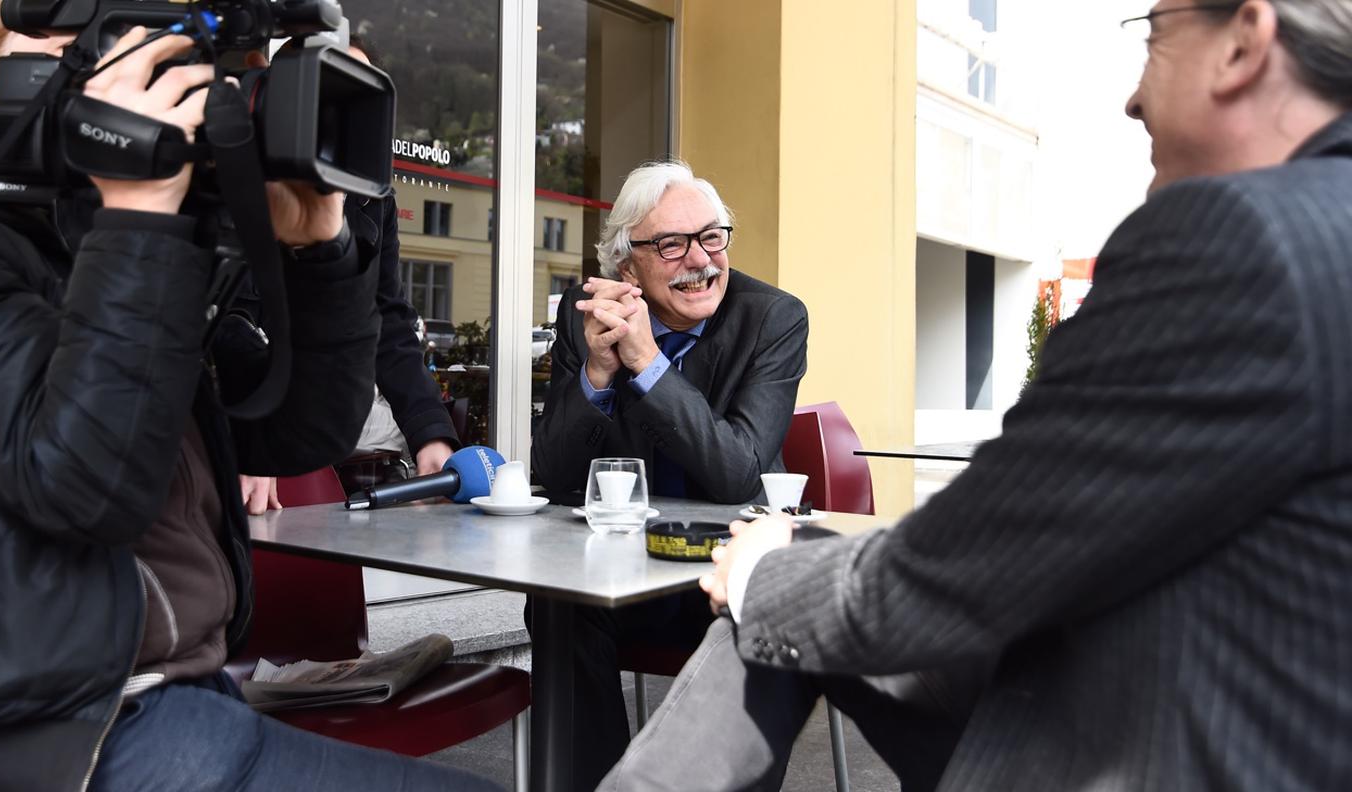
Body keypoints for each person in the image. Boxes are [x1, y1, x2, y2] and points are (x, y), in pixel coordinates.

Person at [597, 2, 1352, 791]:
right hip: (1232, 698)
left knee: (774, 593)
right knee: (791, 582)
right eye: (672, 245)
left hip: (1165, 741)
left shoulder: (1238, 240)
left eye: (1155, 35)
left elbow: (984, 552)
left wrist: (761, 572)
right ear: (631, 262)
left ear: (1244, 40)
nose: (1132, 99)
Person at [0, 9, 498, 791]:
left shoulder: (89, 232)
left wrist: (320, 250)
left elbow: (303, 432)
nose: (131, 71)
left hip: (191, 696)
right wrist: (137, 217)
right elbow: (84, 488)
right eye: (89, 49)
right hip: (69, 733)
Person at [529, 159, 809, 791]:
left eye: (712, 237)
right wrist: (599, 373)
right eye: (672, 245)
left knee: (765, 606)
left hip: (724, 569)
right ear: (627, 266)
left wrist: (649, 362)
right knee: (557, 604)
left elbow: (739, 472)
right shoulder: (590, 319)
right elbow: (549, 469)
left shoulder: (774, 319)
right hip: (626, 574)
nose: (701, 260)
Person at [238, 35, 458, 515]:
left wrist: (430, 433)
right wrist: (246, 436)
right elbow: (222, 327)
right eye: (318, 93)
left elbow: (389, 320)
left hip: (326, 419)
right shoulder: (231, 182)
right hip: (246, 435)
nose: (329, 115)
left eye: (346, 98)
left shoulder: (370, 196)